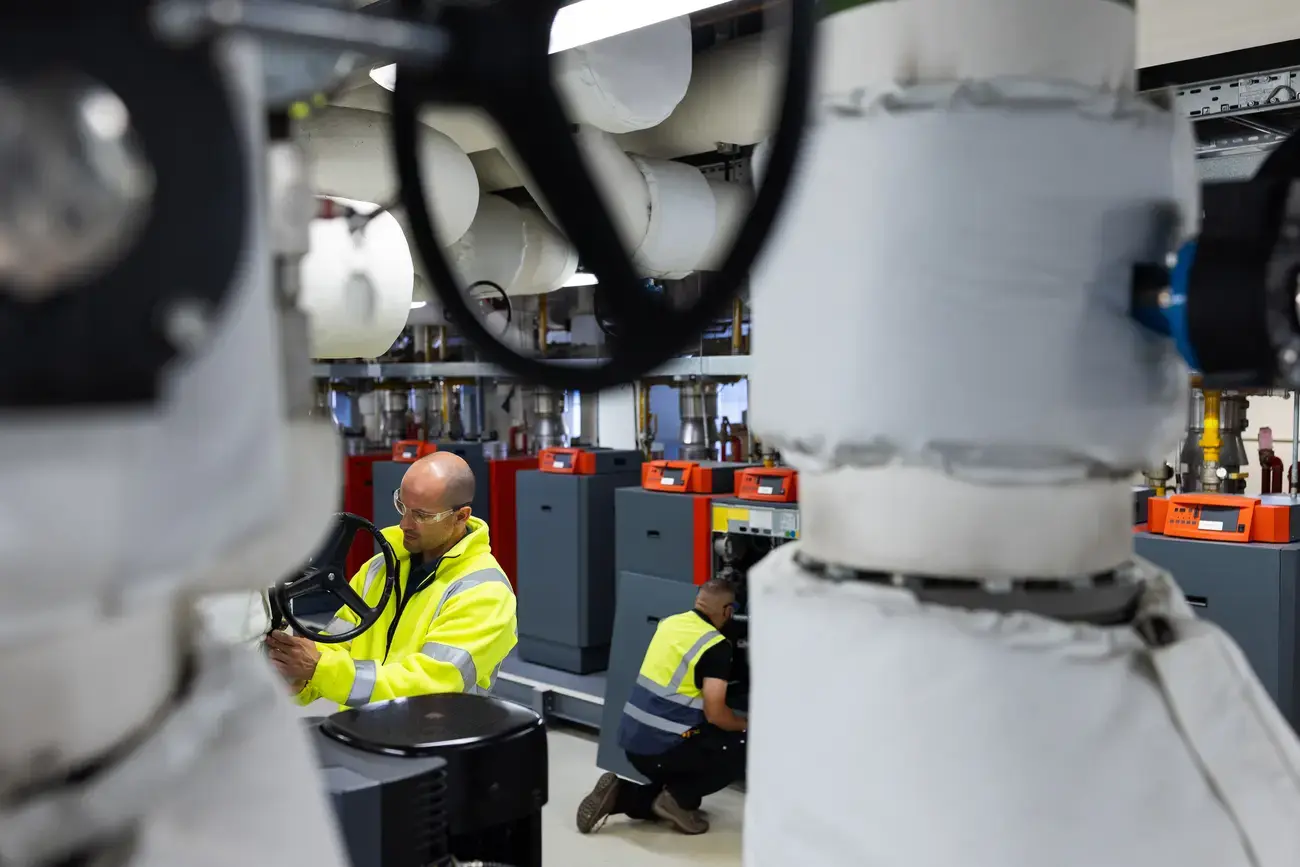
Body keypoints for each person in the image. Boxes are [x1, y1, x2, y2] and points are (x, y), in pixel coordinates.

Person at [266, 451, 517, 709]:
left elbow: (429, 687)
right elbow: (339, 643)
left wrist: (321, 669)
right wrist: (302, 681)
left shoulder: (484, 592)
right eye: (402, 506)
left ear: (461, 516)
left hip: (433, 741)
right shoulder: (383, 566)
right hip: (364, 731)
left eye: (421, 515)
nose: (404, 524)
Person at [576, 579, 748, 836]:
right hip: (665, 748)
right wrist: (747, 724)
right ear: (728, 611)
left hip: (634, 744)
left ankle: (622, 795)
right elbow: (716, 714)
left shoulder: (670, 623)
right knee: (745, 744)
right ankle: (677, 798)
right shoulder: (715, 645)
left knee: (688, 796)